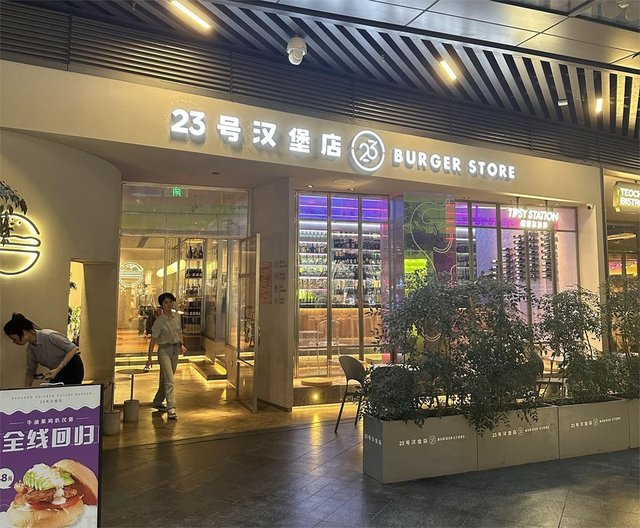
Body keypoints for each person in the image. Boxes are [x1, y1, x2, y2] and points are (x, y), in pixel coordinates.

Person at [4, 313, 84, 386]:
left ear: (24, 332)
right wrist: (25, 391)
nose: (14, 342)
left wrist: (58, 369)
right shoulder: (31, 350)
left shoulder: (48, 335)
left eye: (14, 339)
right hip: (57, 372)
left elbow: (73, 348)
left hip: (72, 367)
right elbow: (30, 373)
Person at [145, 292, 186, 420]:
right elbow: (153, 341)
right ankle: (171, 408)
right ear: (162, 305)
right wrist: (149, 358)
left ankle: (157, 401)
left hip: (175, 350)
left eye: (171, 302)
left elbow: (179, 332)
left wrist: (182, 344)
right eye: (166, 302)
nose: (169, 304)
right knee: (170, 380)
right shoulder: (159, 321)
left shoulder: (176, 317)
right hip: (164, 351)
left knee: (167, 379)